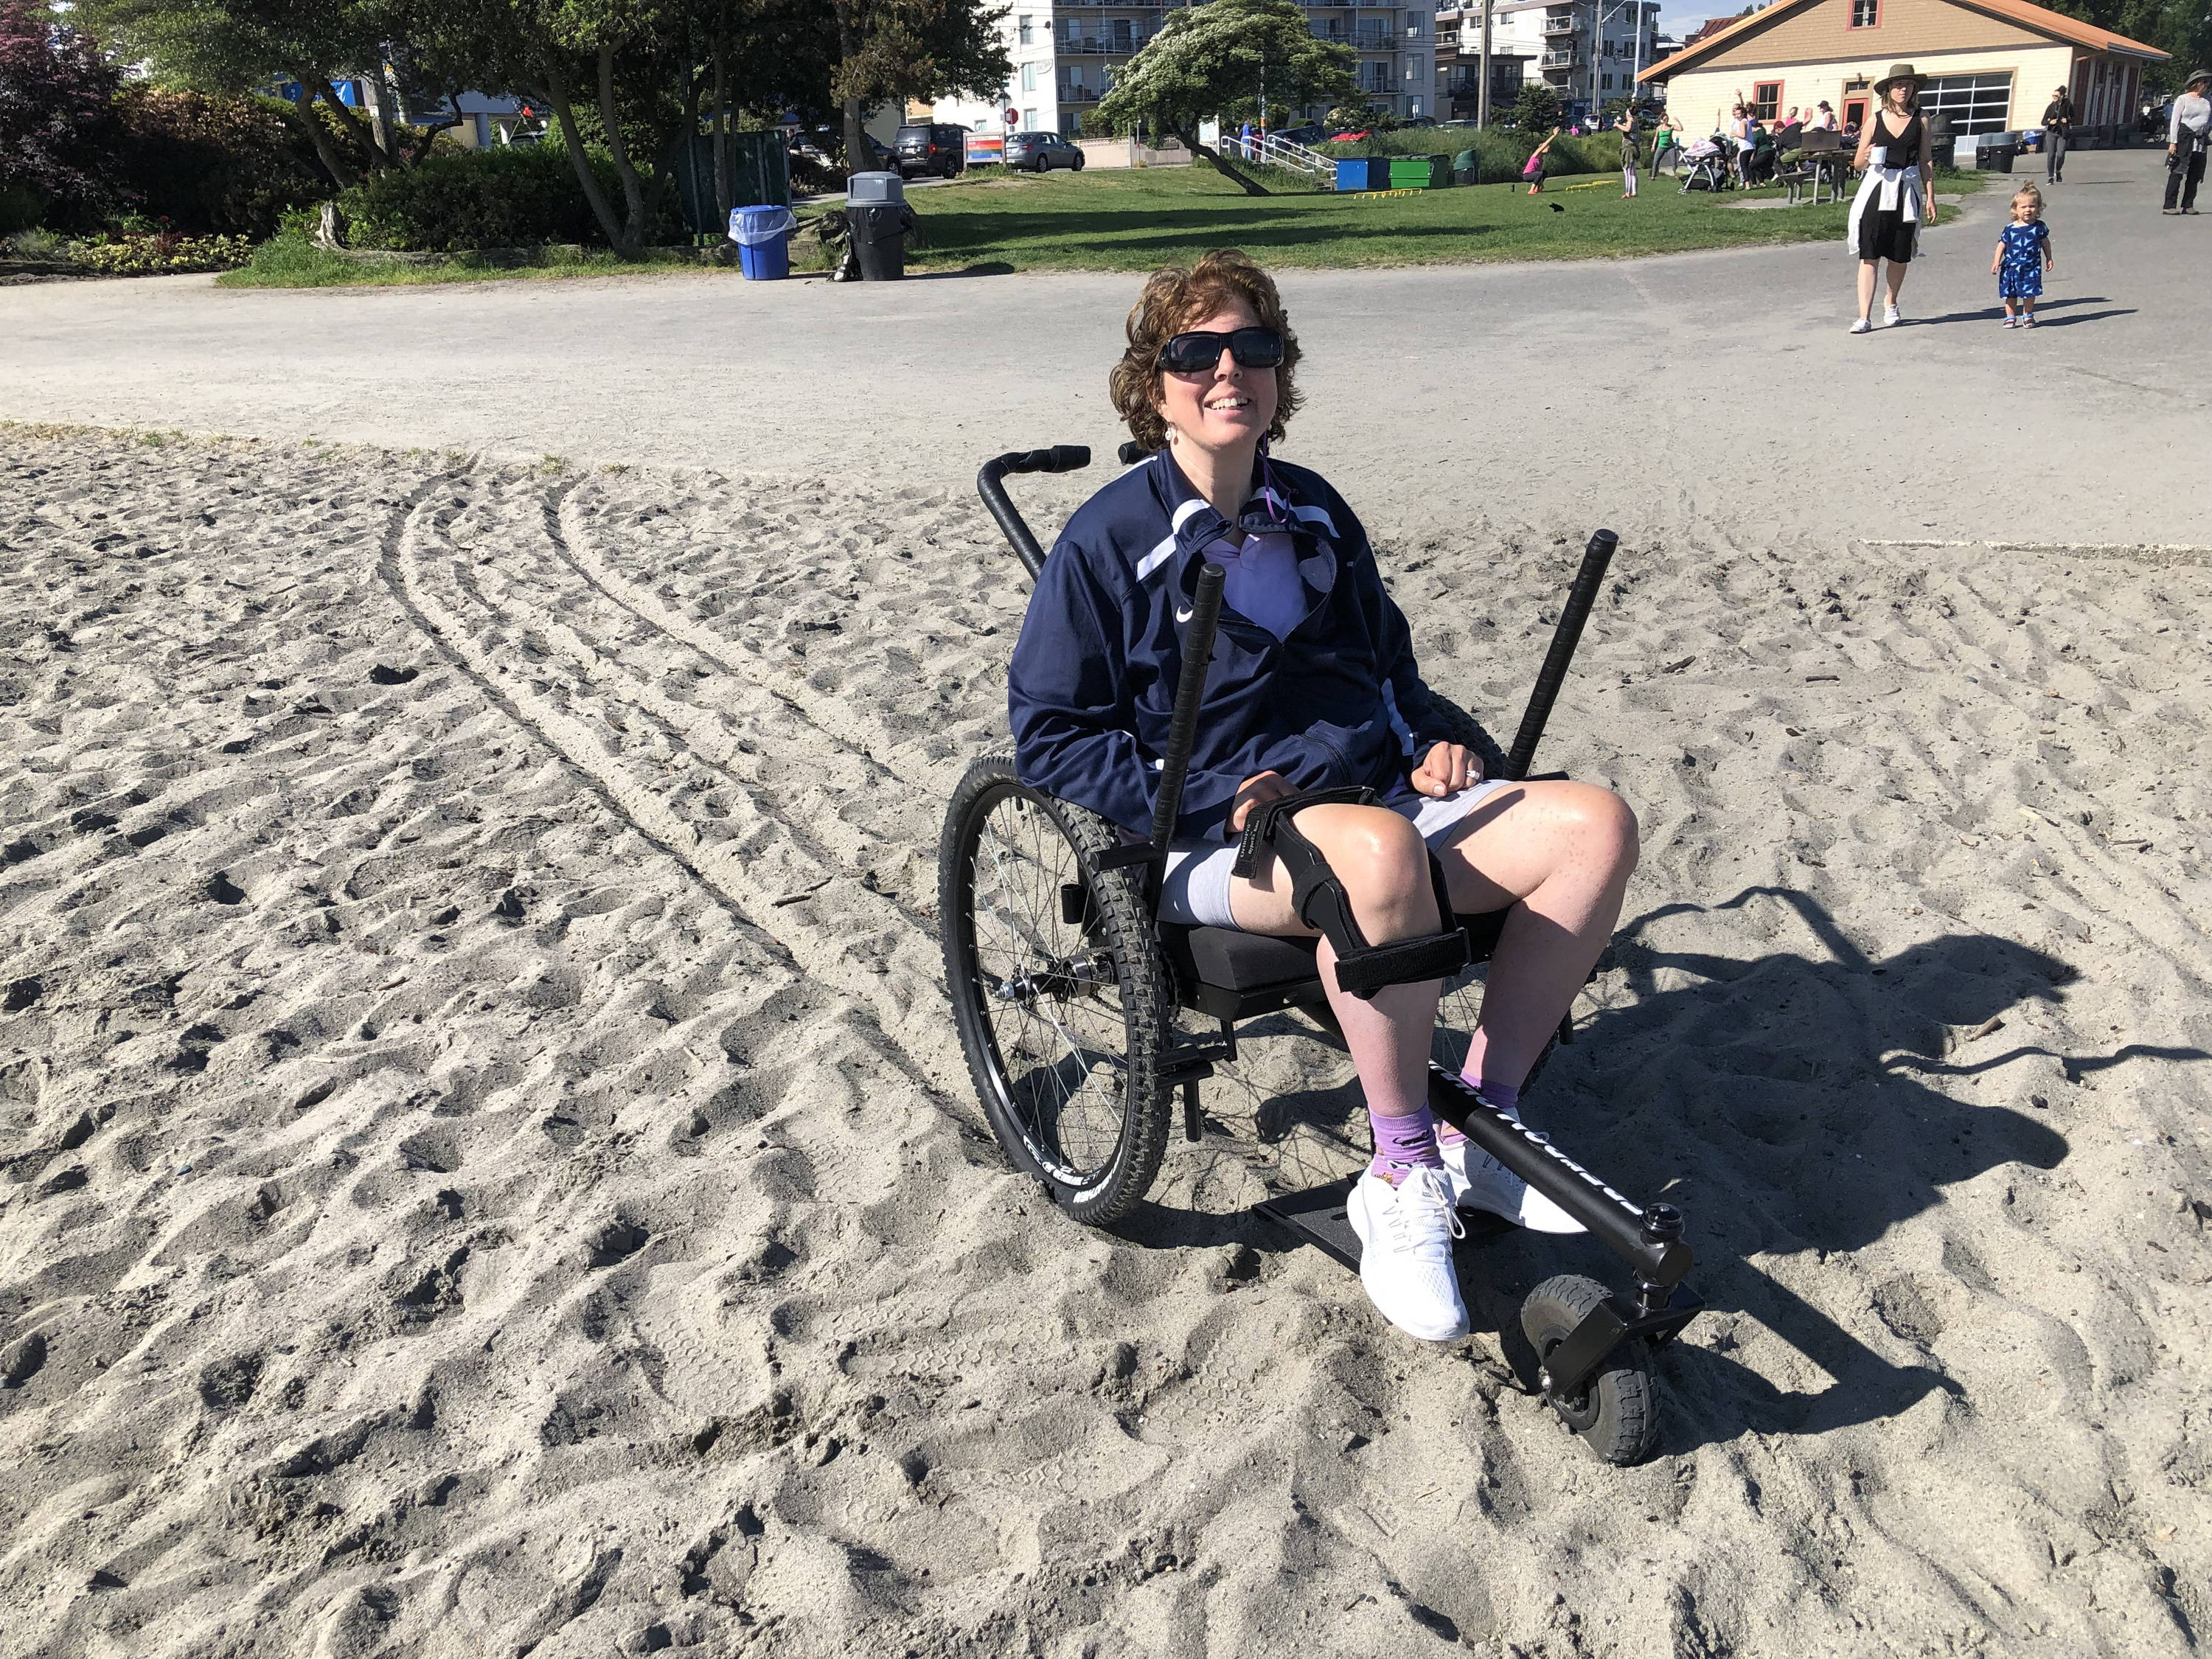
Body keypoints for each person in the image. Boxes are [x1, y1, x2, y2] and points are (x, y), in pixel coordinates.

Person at [1007, 250, 1640, 1343]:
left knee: (1594, 824)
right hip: (1206, 834)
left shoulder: (1318, 513)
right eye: (1194, 351)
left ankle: (1475, 1129)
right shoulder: (1106, 540)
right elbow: (1050, 736)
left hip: (1371, 800)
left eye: (1251, 347)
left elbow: (1392, 673)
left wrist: (1439, 737)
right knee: (1378, 857)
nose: (1226, 371)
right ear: (1151, 382)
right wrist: (1204, 789)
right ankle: (1395, 1179)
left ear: (1279, 375)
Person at [1847, 63, 1938, 333]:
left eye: (1908, 85)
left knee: (1900, 255)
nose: (1903, 89)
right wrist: (1866, 154)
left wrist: (1930, 196)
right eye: (1898, 84)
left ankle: (1891, 302)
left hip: (1906, 190)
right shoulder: (1875, 119)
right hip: (1877, 190)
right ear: (1888, 89)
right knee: (1870, 254)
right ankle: (1864, 316)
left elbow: (1926, 159)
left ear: (1914, 89)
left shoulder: (1922, 119)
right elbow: (1858, 163)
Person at [1992, 182, 2056, 327]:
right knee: (2010, 293)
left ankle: (2028, 314)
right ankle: (2010, 316)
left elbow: (2045, 243)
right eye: (2023, 207)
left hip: (2031, 267)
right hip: (2011, 267)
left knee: (2029, 292)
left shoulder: (2039, 227)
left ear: (2038, 208)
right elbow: (2001, 245)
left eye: (2032, 206)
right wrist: (1996, 261)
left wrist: (2049, 258)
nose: (2028, 210)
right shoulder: (2010, 229)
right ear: (2015, 210)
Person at [2165, 67, 2211, 216]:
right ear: (2197, 83)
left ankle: (2188, 204)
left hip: (2200, 141)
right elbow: (2175, 121)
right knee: (2178, 172)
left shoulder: (2209, 100)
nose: (2207, 85)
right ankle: (2169, 205)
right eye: (2205, 82)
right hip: (2184, 139)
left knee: (2195, 175)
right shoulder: (2183, 99)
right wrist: (2173, 142)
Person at [2041, 84, 2074, 183]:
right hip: (2051, 132)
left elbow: (2074, 117)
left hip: (2062, 133)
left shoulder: (2068, 105)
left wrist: (2067, 120)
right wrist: (2049, 122)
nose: (2054, 98)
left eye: (2056, 96)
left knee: (2060, 154)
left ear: (2062, 96)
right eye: (2053, 96)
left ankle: (2058, 171)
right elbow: (2043, 122)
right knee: (2051, 154)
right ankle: (2050, 177)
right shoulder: (2051, 107)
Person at [1523, 127, 1560, 194]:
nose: (1548, 149)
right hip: (1527, 176)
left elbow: (1540, 173)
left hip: (1535, 175)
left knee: (1544, 172)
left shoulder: (1541, 160)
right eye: (1547, 147)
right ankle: (1531, 190)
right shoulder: (1536, 154)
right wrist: (1554, 135)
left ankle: (1537, 188)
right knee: (1540, 173)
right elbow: (1546, 143)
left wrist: (1541, 184)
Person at [1614, 108, 1639, 196]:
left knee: (1627, 171)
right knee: (1633, 172)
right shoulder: (1635, 122)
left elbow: (1627, 129)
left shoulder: (1630, 122)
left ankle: (1628, 193)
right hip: (1634, 148)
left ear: (1628, 115)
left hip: (1629, 149)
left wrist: (1617, 125)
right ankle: (1634, 192)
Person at [1652, 111, 1683, 175]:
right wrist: (1653, 146)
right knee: (1656, 161)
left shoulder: (1671, 127)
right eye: (1665, 119)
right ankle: (1653, 176)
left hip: (1670, 147)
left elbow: (1681, 129)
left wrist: (1678, 121)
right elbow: (1656, 137)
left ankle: (1677, 175)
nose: (1666, 120)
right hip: (1661, 147)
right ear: (1662, 120)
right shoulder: (1659, 128)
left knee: (1674, 162)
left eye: (1667, 119)